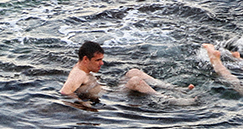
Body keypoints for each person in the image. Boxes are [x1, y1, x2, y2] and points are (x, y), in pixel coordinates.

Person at [61, 41, 195, 101]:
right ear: (85, 59)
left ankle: (176, 89)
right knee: (135, 81)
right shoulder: (78, 74)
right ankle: (170, 100)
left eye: (102, 59)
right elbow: (65, 93)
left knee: (133, 72)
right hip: (111, 98)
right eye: (97, 60)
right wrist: (85, 105)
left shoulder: (81, 68)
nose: (102, 63)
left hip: (108, 90)